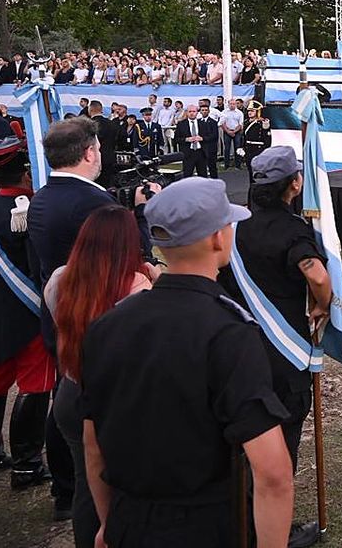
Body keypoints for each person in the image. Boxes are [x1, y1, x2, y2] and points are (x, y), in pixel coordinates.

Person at [79, 177, 294, 547]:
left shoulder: (106, 327)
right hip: (205, 526)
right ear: (217, 238)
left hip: (129, 519)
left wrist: (108, 522)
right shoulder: (228, 333)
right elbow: (273, 473)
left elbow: (93, 444)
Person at [219, 148, 331, 548]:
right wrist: (323, 301)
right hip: (283, 356)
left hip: (235, 349)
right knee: (279, 450)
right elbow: (315, 272)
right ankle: (270, 532)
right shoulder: (293, 229)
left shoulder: (234, 227)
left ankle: (239, 523)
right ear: (294, 184)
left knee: (238, 442)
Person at [46, 205, 155, 548]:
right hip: (115, 400)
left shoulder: (61, 279)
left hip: (71, 389)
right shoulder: (137, 287)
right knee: (124, 482)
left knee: (86, 482)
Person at [0, 150, 53, 494]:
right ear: (24, 174)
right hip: (27, 313)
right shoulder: (27, 211)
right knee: (34, 387)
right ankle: (26, 464)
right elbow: (38, 267)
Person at [176, 104, 210, 178]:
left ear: (197, 112)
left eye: (194, 111)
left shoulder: (203, 124)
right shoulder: (181, 124)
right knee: (187, 175)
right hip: (188, 153)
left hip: (201, 152)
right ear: (187, 113)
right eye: (190, 111)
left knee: (203, 175)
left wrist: (202, 138)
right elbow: (176, 139)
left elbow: (210, 137)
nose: (192, 113)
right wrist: (186, 139)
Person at [241, 100, 272, 179]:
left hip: (258, 150)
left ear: (258, 112)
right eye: (249, 111)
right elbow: (244, 137)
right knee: (250, 173)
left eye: (252, 111)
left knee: (259, 173)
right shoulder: (246, 122)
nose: (249, 113)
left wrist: (265, 152)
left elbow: (267, 140)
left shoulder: (262, 123)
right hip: (248, 149)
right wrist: (242, 147)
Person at [219, 97, 245, 169]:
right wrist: (228, 131)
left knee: (238, 148)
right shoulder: (224, 112)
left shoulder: (240, 113)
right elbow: (222, 123)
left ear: (236, 105)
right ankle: (226, 165)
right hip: (227, 131)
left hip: (237, 132)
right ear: (228, 104)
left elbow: (240, 124)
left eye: (234, 104)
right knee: (227, 149)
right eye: (230, 104)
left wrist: (234, 131)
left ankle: (238, 165)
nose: (232, 105)